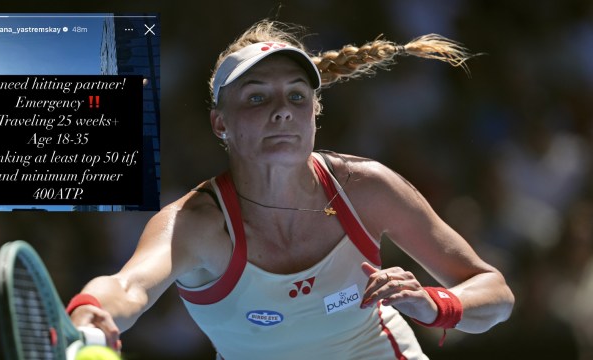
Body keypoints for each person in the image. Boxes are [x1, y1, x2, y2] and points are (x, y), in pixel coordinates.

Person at [68, 20, 514, 359]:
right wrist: (91, 310)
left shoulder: (365, 188)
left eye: (297, 96)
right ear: (220, 122)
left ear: (315, 113)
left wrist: (437, 304)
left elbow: (495, 294)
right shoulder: (197, 224)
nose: (282, 111)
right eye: (257, 97)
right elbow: (127, 287)